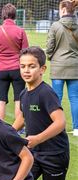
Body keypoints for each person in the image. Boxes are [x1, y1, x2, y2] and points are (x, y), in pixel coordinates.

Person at [8, 47, 73, 180]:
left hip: (55, 153)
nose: (26, 70)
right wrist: (7, 135)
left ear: (42, 69)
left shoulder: (47, 93)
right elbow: (22, 118)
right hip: (34, 154)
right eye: (23, 66)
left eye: (32, 66)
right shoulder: (25, 93)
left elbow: (60, 122)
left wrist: (37, 138)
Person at [0, 3, 29, 121]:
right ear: (15, 15)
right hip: (17, 69)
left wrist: (1, 54)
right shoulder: (20, 31)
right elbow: (25, 50)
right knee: (18, 98)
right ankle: (18, 126)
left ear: (3, 16)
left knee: (1, 99)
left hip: (1, 69)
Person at [46, 0, 78, 137]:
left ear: (64, 10)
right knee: (75, 98)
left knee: (56, 99)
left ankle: (56, 127)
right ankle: (77, 128)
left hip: (58, 67)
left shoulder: (55, 26)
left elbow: (49, 46)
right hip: (75, 67)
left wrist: (49, 56)